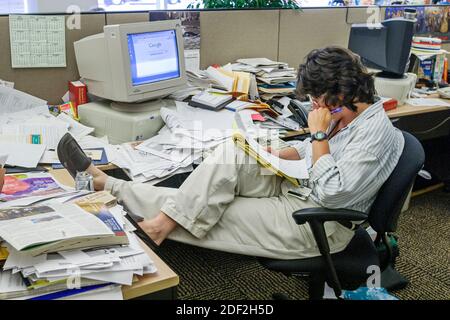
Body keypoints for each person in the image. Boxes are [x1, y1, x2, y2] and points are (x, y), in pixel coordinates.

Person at [58, 46, 404, 260]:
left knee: (214, 208)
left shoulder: (375, 134)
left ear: (341, 92)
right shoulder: (344, 114)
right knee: (231, 154)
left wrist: (316, 133)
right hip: (296, 184)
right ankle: (110, 186)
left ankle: (154, 222)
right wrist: (274, 152)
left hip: (318, 220)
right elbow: (310, 151)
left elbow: (333, 192)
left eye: (317, 99)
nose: (314, 106)